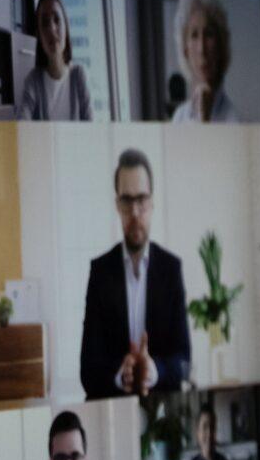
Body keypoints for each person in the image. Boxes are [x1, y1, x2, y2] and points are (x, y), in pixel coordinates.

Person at [80, 147, 191, 399]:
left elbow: (184, 361)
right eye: (127, 201)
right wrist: (120, 374)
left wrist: (156, 370)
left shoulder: (172, 269)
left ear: (152, 202)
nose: (135, 212)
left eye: (141, 199)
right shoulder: (99, 272)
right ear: (117, 205)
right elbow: (88, 369)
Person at [15, 0, 93, 120]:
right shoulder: (33, 81)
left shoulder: (79, 75)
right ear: (39, 36)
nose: (51, 29)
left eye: (56, 19)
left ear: (66, 27)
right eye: (45, 23)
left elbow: (91, 130)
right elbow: (21, 128)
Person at [170, 0, 241, 122]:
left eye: (208, 34)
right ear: (185, 50)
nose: (201, 49)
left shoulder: (235, 118)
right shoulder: (179, 117)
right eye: (194, 35)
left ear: (221, 46)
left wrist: (205, 118)